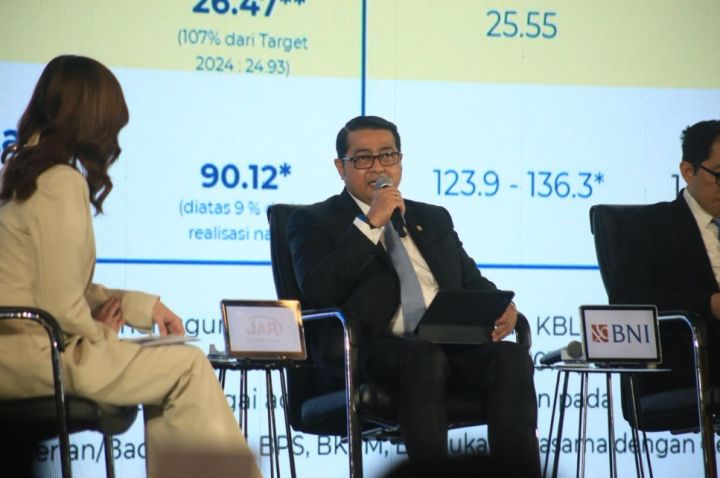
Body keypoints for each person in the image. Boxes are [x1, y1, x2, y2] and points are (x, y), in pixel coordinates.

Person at [0, 55, 261, 478]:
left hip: (21, 353)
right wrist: (102, 333)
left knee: (174, 364)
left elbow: (55, 282)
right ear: (92, 118)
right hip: (40, 358)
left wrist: (140, 306)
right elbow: (61, 305)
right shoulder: (60, 181)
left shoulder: (22, 173)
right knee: (187, 365)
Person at [288, 115, 540, 474]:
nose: (378, 166)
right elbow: (318, 289)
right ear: (340, 168)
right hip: (367, 352)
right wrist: (371, 223)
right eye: (363, 158)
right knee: (423, 357)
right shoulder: (313, 221)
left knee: (511, 358)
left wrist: (504, 307)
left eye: (387, 155)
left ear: (400, 161)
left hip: (446, 345)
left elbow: (470, 280)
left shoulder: (432, 217)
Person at [613, 120, 720, 379]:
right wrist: (708, 304)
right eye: (719, 175)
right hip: (692, 360)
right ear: (688, 171)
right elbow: (625, 299)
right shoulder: (654, 224)